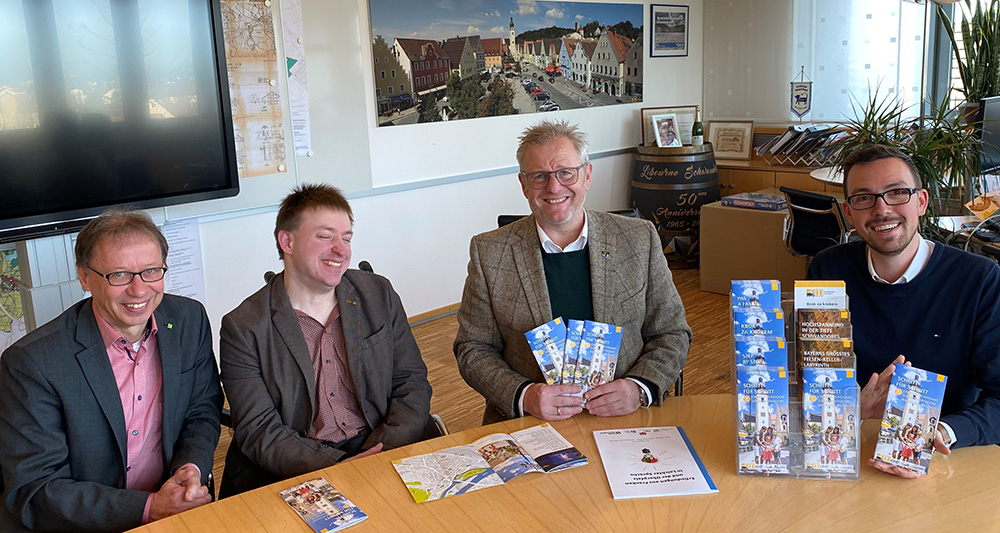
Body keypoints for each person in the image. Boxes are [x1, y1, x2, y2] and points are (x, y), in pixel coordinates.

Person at [454, 120, 691, 424]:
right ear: (523, 184)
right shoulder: (489, 252)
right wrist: (524, 395)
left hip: (625, 415)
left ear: (587, 175)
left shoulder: (638, 238)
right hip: (531, 420)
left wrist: (639, 388)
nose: (554, 187)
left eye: (566, 172)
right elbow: (472, 348)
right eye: (539, 176)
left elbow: (672, 333)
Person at [0, 209, 223, 532]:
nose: (139, 290)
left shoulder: (188, 319)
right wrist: (148, 508)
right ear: (85, 277)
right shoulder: (31, 362)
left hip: (172, 506)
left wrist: (190, 467)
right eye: (119, 274)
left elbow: (202, 409)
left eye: (150, 271)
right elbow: (35, 489)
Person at [219, 184, 432, 496]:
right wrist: (341, 468)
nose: (341, 249)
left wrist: (380, 451)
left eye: (346, 238)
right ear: (287, 241)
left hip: (382, 447)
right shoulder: (244, 327)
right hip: (297, 467)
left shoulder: (378, 295)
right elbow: (260, 430)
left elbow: (412, 383)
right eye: (325, 236)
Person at [808, 144, 1000, 478]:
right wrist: (855, 407)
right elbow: (810, 378)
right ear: (849, 213)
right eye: (864, 197)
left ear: (921, 201)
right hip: (844, 452)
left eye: (897, 193)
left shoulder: (979, 279)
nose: (882, 209)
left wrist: (939, 432)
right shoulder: (827, 271)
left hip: (948, 464)